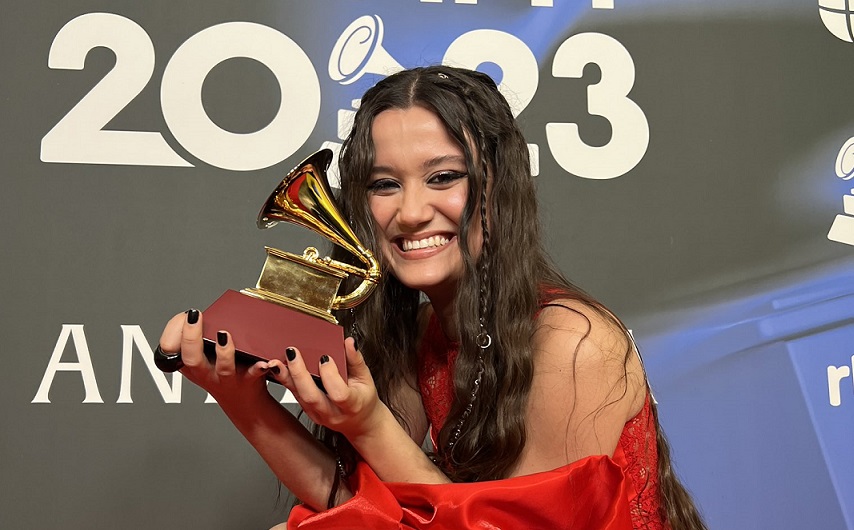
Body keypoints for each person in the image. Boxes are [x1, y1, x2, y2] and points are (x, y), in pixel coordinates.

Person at [158, 65, 706, 529]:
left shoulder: (572, 345)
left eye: (443, 177)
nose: (411, 212)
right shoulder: (422, 334)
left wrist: (370, 424)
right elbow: (364, 508)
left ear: (495, 188)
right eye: (383, 184)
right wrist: (238, 396)